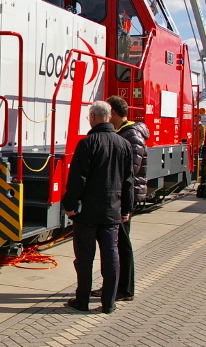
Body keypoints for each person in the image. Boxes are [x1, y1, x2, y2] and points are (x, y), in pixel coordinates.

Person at [61, 101, 134, 315]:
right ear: (110, 117)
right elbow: (128, 181)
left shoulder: (87, 143)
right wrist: (127, 209)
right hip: (112, 211)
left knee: (84, 257)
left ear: (93, 117)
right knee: (111, 255)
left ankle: (82, 300)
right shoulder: (124, 144)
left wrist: (69, 205)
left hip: (87, 212)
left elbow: (78, 179)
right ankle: (108, 302)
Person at [92, 96, 149, 303]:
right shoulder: (125, 134)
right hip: (120, 198)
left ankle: (124, 288)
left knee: (121, 244)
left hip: (122, 199)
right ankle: (114, 285)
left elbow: (128, 172)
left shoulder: (131, 136)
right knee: (115, 244)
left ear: (113, 113)